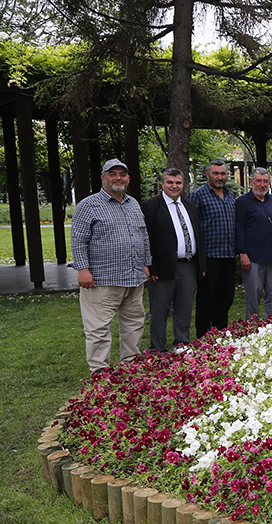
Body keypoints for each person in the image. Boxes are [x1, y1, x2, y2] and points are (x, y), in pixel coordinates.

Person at [70, 158, 151, 372]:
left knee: (134, 324)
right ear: (103, 177)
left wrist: (146, 264)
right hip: (102, 280)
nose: (118, 178)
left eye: (122, 174)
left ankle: (130, 366)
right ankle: (100, 373)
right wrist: (83, 269)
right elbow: (78, 240)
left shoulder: (133, 203)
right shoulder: (88, 205)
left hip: (133, 277)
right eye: (112, 173)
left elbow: (143, 236)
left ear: (128, 178)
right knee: (98, 329)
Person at [142, 168, 206, 352]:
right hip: (163, 268)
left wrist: (201, 264)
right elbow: (147, 239)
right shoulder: (151, 207)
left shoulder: (189, 207)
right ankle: (157, 349)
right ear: (162, 184)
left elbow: (198, 237)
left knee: (184, 309)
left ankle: (182, 344)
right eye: (170, 182)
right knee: (160, 311)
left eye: (178, 183)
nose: (174, 186)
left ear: (183, 184)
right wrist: (151, 267)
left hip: (188, 266)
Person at [188, 159, 236, 336]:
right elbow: (192, 228)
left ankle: (221, 333)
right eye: (216, 173)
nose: (220, 177)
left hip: (229, 256)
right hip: (209, 257)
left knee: (225, 299)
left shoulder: (231, 195)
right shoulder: (197, 196)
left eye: (223, 174)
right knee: (206, 299)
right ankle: (203, 337)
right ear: (207, 174)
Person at [235, 167, 272, 319]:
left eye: (265, 181)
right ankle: (252, 329)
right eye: (259, 181)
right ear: (251, 181)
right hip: (253, 258)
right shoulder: (243, 202)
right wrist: (243, 254)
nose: (262, 185)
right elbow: (239, 229)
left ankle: (271, 329)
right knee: (253, 297)